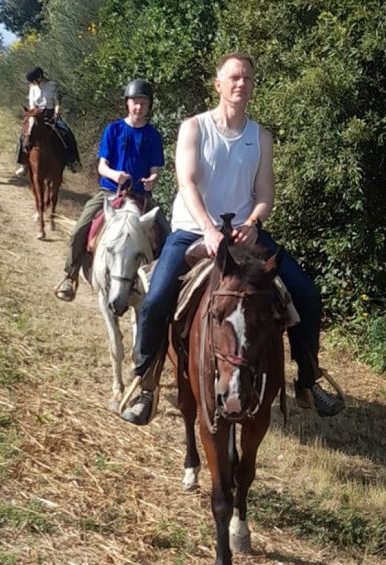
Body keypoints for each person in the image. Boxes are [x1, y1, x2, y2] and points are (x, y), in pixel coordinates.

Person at [121, 52, 345, 425]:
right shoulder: (194, 127)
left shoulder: (261, 137)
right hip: (194, 231)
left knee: (306, 294)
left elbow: (265, 194)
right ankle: (146, 382)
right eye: (234, 77)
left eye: (248, 79)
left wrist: (255, 222)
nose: (242, 83)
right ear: (218, 84)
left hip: (245, 236)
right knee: (157, 298)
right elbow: (187, 182)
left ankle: (307, 381)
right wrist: (208, 228)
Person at [54, 78, 168, 302]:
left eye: (144, 103)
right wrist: (115, 175)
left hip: (141, 197)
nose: (139, 107)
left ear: (149, 106)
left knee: (167, 233)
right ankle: (70, 275)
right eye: (135, 102)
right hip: (109, 193)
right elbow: (102, 166)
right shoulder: (113, 130)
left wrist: (152, 180)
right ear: (127, 103)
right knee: (81, 227)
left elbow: (156, 170)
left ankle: (162, 287)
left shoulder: (153, 135)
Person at [15, 67, 81, 177]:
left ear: (39, 77)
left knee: (66, 132)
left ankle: (73, 161)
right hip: (36, 114)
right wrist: (33, 115)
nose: (32, 83)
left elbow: (56, 102)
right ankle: (23, 164)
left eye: (33, 80)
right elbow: (32, 104)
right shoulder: (32, 88)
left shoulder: (52, 85)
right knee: (24, 135)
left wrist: (56, 112)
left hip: (50, 114)